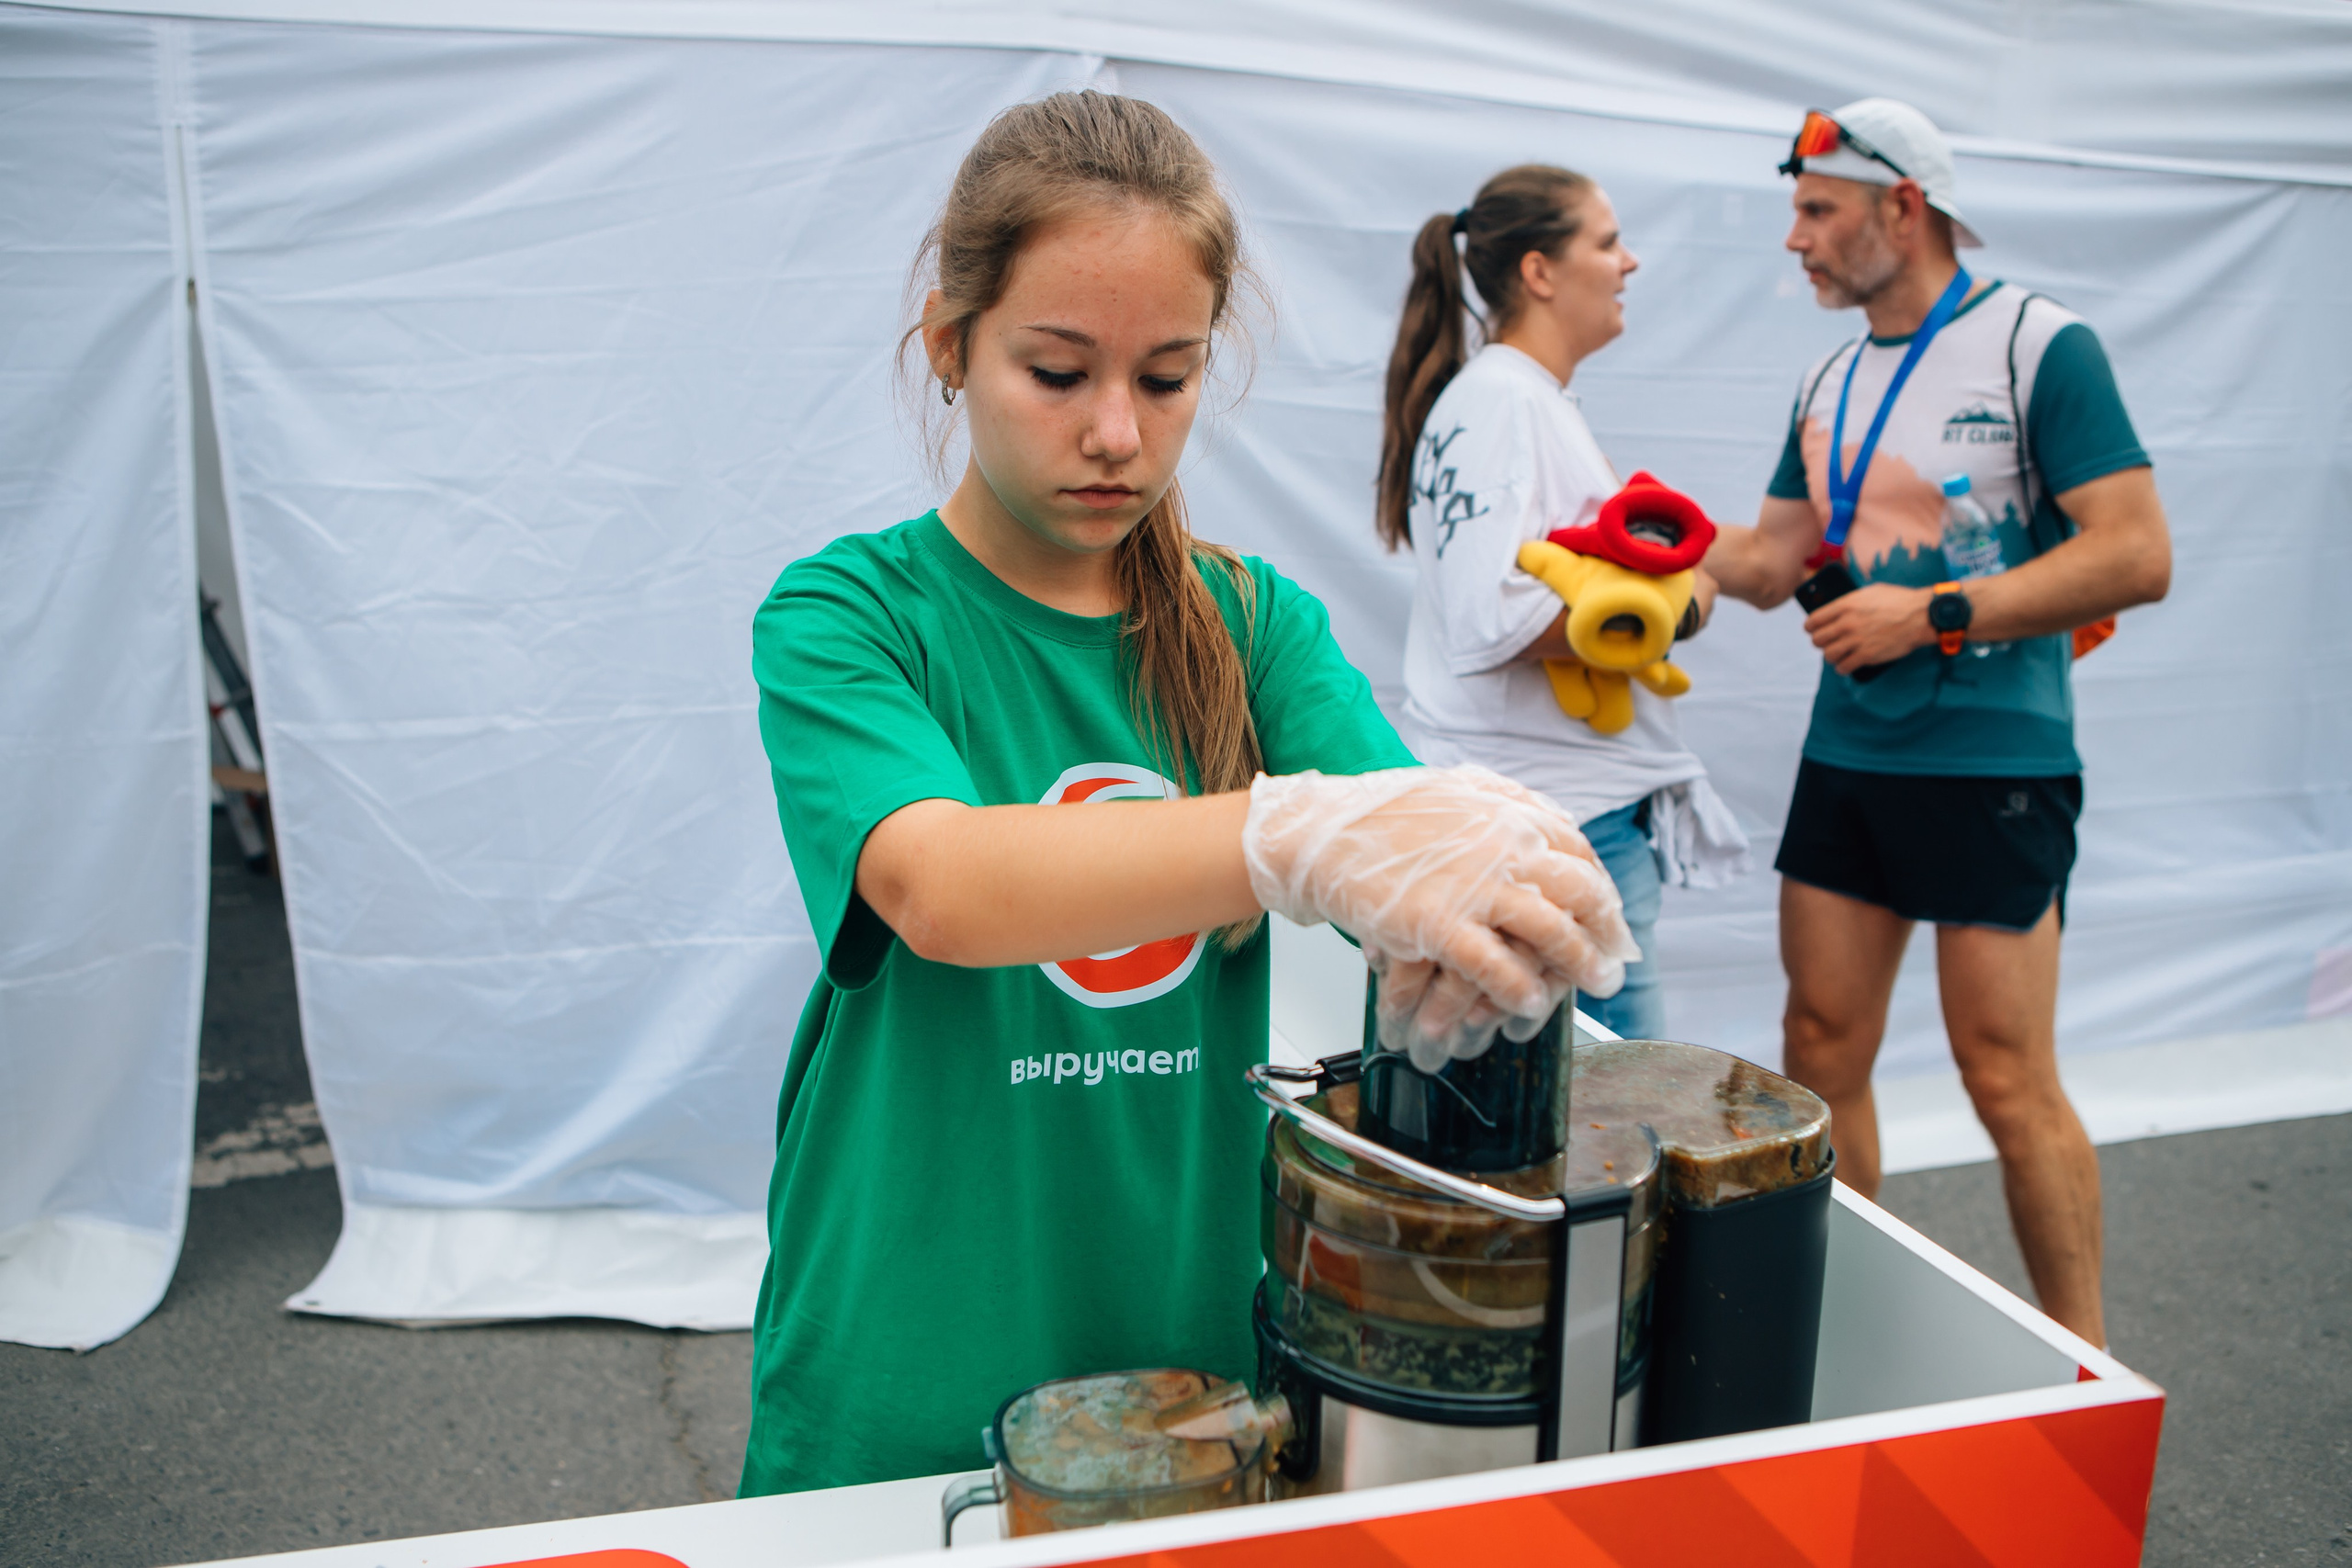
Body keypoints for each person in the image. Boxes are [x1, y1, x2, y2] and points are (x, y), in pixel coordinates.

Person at [741, 93, 1637, 1494]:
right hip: (907, 1351)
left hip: (1190, 1367)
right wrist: (1287, 834)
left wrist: (1483, 887)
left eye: (1167, 378)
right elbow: (943, 887)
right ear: (949, 344)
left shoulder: (1251, 622)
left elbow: (1407, 832)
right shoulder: (853, 613)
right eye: (1057, 371)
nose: (1117, 431)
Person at [1704, 98, 2173, 1345]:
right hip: (1849, 754)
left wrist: (1931, 613)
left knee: (2005, 1079)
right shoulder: (1829, 375)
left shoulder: (2037, 344)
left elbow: (2136, 553)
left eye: (1818, 211)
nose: (1796, 239)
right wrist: (1652, 552)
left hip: (1994, 763)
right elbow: (1775, 559)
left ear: (1901, 207)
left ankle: (2087, 1364)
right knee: (1820, 1050)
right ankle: (1847, 1334)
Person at [1376, 164, 1750, 1043]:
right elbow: (1492, 616)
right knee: (1611, 1106)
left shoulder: (1511, 398)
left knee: (1571, 1098)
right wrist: (1682, 607)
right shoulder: (1505, 401)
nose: (1630, 262)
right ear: (1540, 271)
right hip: (1560, 829)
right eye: (1608, 242)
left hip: (1552, 819)